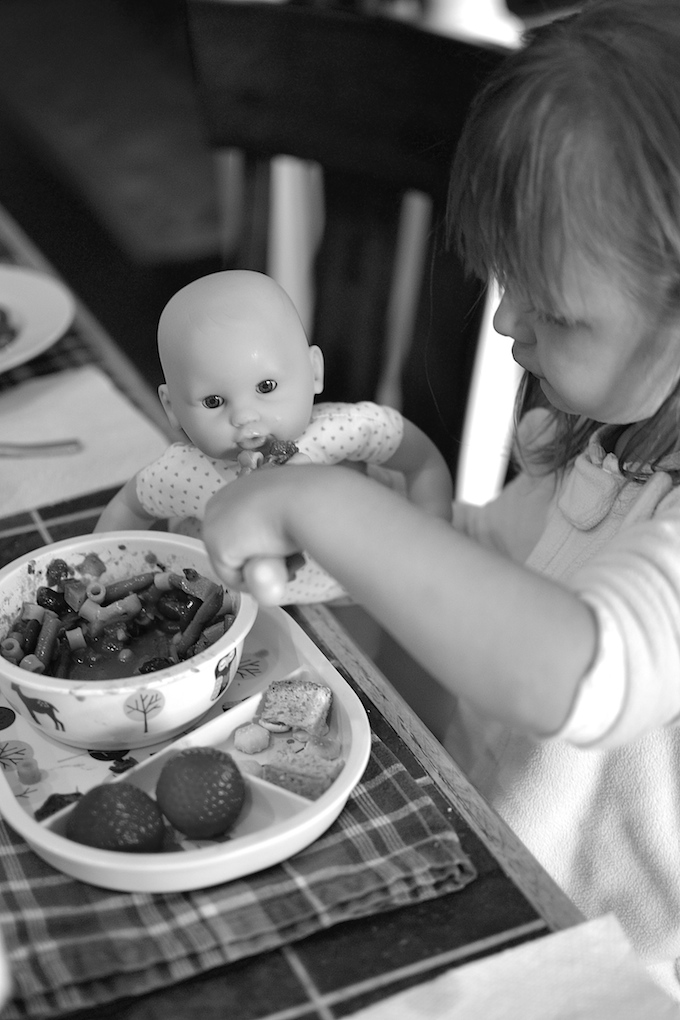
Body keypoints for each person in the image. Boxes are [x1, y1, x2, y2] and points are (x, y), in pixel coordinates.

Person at [201, 0, 680, 999]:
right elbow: (498, 590)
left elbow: (570, 670)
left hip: (619, 978)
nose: (506, 319)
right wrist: (412, 501)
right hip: (493, 878)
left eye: (552, 309)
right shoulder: (591, 443)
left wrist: (332, 515)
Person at [96, 269, 453, 603]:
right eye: (214, 401)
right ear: (172, 408)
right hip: (229, 602)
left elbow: (421, 462)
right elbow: (129, 506)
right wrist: (102, 575)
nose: (244, 417)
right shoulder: (182, 473)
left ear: (314, 371)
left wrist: (433, 545)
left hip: (349, 591)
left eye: (266, 387)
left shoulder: (347, 430)